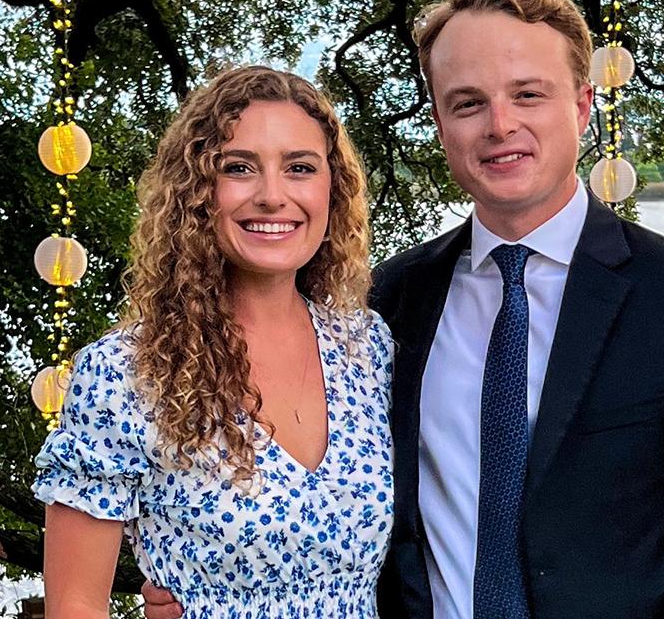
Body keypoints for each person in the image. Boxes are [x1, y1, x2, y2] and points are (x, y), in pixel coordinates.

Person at [145, 0, 664, 619]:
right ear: (439, 123)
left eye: (528, 94)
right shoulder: (385, 305)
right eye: (468, 102)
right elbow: (324, 504)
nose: (500, 124)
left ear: (581, 104)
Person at [33, 65, 394, 619]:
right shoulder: (125, 372)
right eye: (239, 168)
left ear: (333, 189)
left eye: (299, 168)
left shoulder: (368, 348)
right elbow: (75, 605)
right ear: (197, 193)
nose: (273, 196)